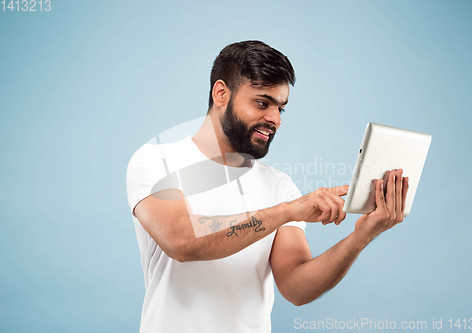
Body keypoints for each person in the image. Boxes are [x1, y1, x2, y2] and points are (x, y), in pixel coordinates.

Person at [126, 40, 409, 333]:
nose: (274, 119)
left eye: (280, 109)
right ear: (221, 93)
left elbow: (297, 288)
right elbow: (182, 240)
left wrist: (360, 237)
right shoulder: (157, 161)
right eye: (262, 103)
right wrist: (288, 211)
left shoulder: (279, 186)